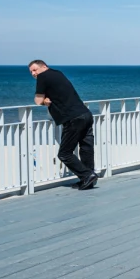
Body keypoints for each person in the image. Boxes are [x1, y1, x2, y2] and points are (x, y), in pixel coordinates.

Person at [29, 60, 97, 190]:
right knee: (86, 148)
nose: (33, 73)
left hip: (73, 118)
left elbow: (37, 100)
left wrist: (43, 101)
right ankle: (88, 180)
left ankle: (87, 175)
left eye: (35, 70)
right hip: (85, 114)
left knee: (64, 154)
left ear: (44, 67)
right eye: (31, 71)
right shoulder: (58, 73)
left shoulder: (43, 76)